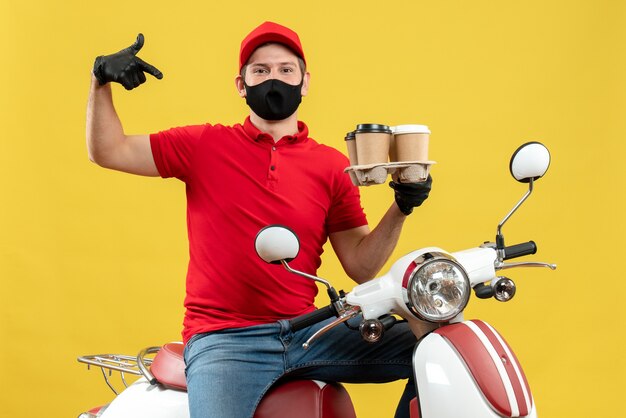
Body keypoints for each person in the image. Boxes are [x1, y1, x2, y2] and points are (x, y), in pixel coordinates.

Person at [86, 21, 433, 418]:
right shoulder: (203, 145)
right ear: (241, 84)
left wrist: (402, 205)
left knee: (439, 346)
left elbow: (361, 265)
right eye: (261, 70)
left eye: (286, 70)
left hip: (310, 332)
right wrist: (100, 81)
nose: (274, 79)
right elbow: (108, 150)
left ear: (304, 82)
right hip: (225, 340)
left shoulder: (331, 165)